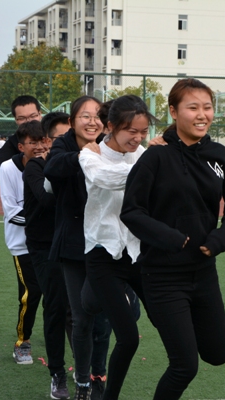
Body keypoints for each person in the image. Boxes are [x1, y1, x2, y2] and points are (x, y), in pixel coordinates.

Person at [120, 78, 225, 400]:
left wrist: (221, 238)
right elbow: (132, 212)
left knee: (219, 353)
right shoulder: (155, 157)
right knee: (184, 366)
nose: (202, 114)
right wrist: (173, 239)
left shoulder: (219, 156)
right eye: (193, 107)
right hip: (163, 276)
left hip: (204, 272)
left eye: (207, 107)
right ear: (174, 111)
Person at [79, 95, 157, 400]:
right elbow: (105, 178)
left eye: (143, 132)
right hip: (102, 255)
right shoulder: (91, 154)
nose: (138, 138)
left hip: (136, 253)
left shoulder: (142, 155)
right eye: (131, 131)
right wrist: (153, 167)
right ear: (110, 126)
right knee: (128, 337)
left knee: (165, 318)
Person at [44, 96, 110, 400]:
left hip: (108, 244)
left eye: (98, 116)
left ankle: (99, 375)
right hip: (74, 245)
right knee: (82, 318)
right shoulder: (63, 146)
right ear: (72, 122)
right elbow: (53, 168)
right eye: (85, 116)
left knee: (106, 320)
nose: (92, 121)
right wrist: (84, 154)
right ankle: (83, 382)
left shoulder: (111, 144)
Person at [22, 120, 70, 399]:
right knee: (56, 305)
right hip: (44, 246)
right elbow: (46, 199)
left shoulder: (84, 160)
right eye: (58, 137)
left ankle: (87, 369)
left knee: (80, 309)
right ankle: (57, 373)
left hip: (75, 242)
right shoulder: (36, 166)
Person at [0, 121, 45, 366]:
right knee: (31, 294)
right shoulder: (8, 168)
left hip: (50, 243)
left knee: (60, 296)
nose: (39, 147)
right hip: (23, 245)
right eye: (33, 142)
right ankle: (22, 342)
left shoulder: (52, 163)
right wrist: (45, 220)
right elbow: (12, 212)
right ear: (20, 146)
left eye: (43, 141)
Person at [0, 95, 42, 180]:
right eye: (22, 118)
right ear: (15, 120)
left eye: (33, 116)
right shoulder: (13, 141)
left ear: (40, 114)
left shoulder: (52, 135)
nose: (28, 121)